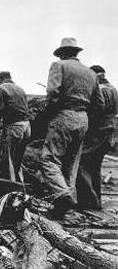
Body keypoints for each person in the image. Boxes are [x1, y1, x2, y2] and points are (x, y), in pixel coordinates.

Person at [40, 37, 105, 218]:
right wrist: (84, 115)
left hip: (64, 115)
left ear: (62, 53)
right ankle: (68, 206)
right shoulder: (91, 73)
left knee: (49, 159)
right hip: (82, 119)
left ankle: (62, 196)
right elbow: (99, 104)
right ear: (76, 53)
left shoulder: (58, 66)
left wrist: (49, 113)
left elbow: (53, 92)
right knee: (71, 164)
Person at [76, 65, 118, 209]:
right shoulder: (113, 89)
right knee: (95, 167)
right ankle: (96, 202)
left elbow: (97, 111)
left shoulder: (101, 90)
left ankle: (89, 201)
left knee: (81, 163)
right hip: (110, 132)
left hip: (99, 132)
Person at [0, 71, 31, 181]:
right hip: (27, 126)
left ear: (0, 79)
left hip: (14, 126)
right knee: (18, 159)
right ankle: (21, 185)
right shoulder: (20, 89)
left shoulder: (1, 88)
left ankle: (9, 188)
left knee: (7, 160)